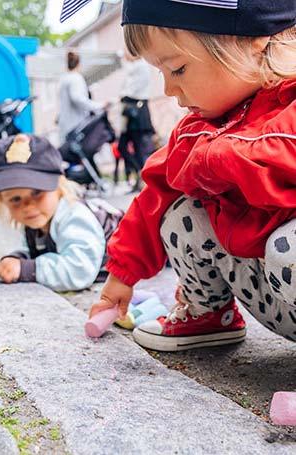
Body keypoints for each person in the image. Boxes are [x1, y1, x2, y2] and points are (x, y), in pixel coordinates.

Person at [89, 0, 296, 352]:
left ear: (251, 39)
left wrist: (221, 156)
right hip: (276, 300)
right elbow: (153, 197)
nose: (169, 89)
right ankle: (209, 314)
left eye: (178, 69)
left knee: (286, 245)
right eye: (162, 73)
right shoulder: (199, 130)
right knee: (181, 213)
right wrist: (121, 273)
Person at [0, 133, 106, 292]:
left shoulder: (74, 216)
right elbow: (35, 250)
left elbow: (79, 270)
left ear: (59, 187)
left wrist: (27, 269)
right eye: (15, 199)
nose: (27, 206)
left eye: (36, 193)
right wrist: (15, 259)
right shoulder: (38, 220)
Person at [118, 48, 156, 191]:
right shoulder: (133, 68)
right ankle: (140, 175)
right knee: (124, 145)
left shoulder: (141, 67)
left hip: (138, 112)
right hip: (131, 114)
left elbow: (130, 92)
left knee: (141, 148)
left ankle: (145, 180)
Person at [58, 51, 102, 145]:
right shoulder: (76, 78)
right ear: (79, 64)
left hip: (65, 124)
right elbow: (77, 98)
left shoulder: (63, 79)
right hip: (76, 125)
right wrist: (98, 106)